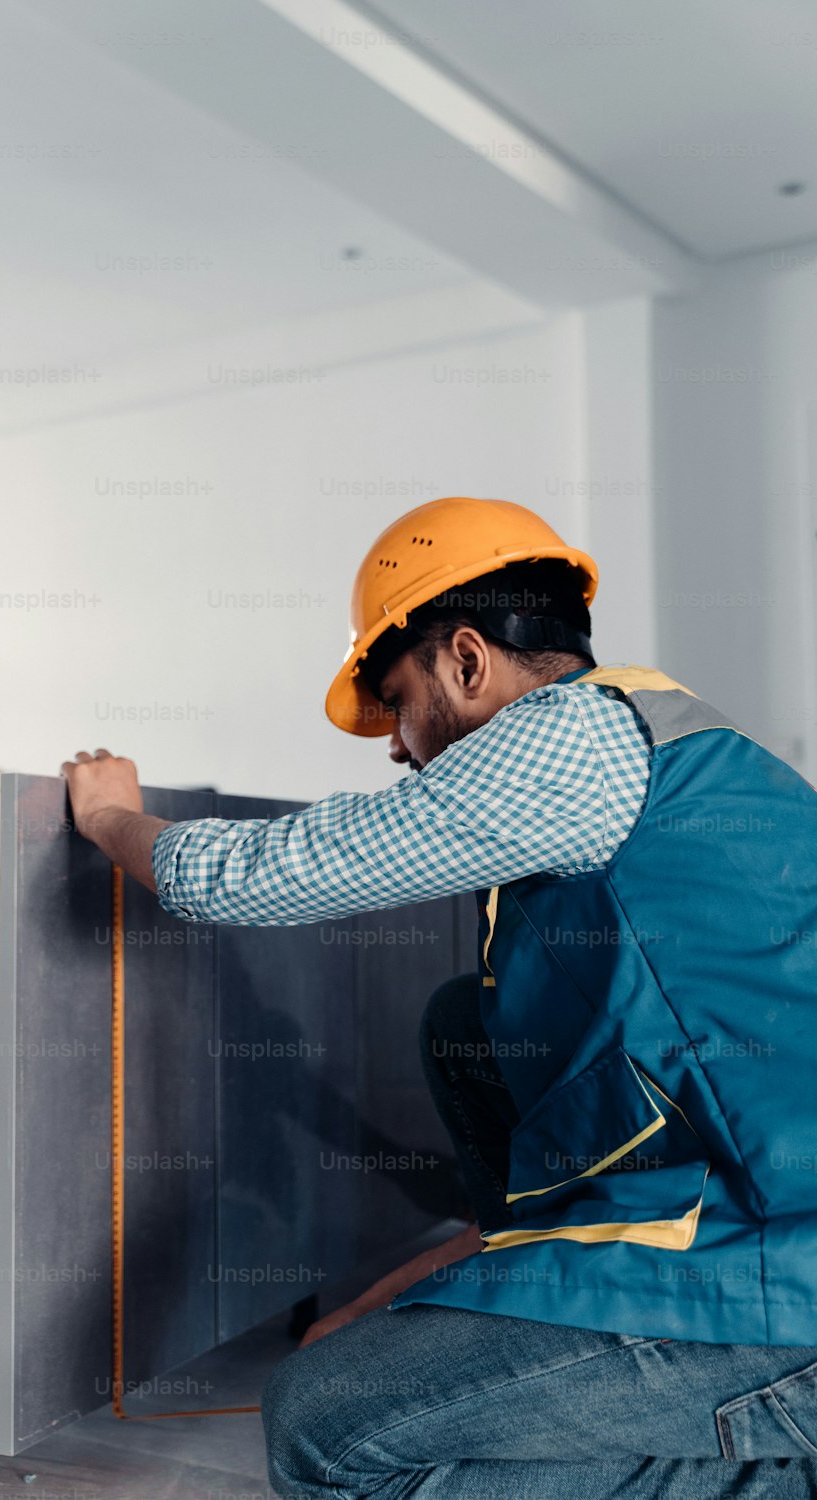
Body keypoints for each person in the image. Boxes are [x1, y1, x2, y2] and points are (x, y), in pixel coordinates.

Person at [62, 496, 817, 1498]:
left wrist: (112, 815)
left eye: (400, 699)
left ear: (467, 662)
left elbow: (255, 875)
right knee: (467, 1021)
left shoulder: (574, 739)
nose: (395, 745)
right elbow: (592, 1135)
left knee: (323, 1427)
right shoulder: (662, 751)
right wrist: (409, 1289)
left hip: (778, 1276)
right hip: (738, 1215)